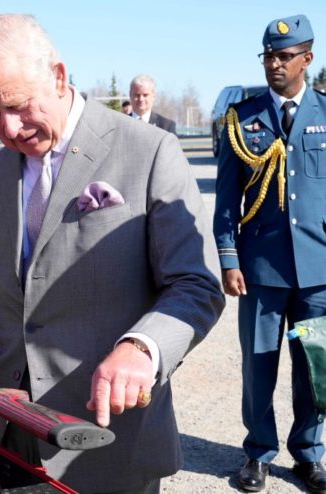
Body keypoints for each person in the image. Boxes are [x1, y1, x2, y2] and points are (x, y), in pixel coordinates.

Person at [0, 14, 224, 493]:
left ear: (59, 76)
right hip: (5, 426)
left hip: (106, 435)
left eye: (19, 106)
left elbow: (196, 286)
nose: (10, 128)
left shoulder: (149, 152)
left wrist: (140, 348)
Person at [213, 14, 326, 494]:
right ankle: (258, 453)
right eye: (268, 57)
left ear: (307, 59)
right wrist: (229, 258)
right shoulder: (244, 118)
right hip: (260, 271)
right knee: (259, 366)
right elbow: (225, 200)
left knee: (314, 366)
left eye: (284, 56)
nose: (274, 65)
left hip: (319, 271)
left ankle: (310, 455)